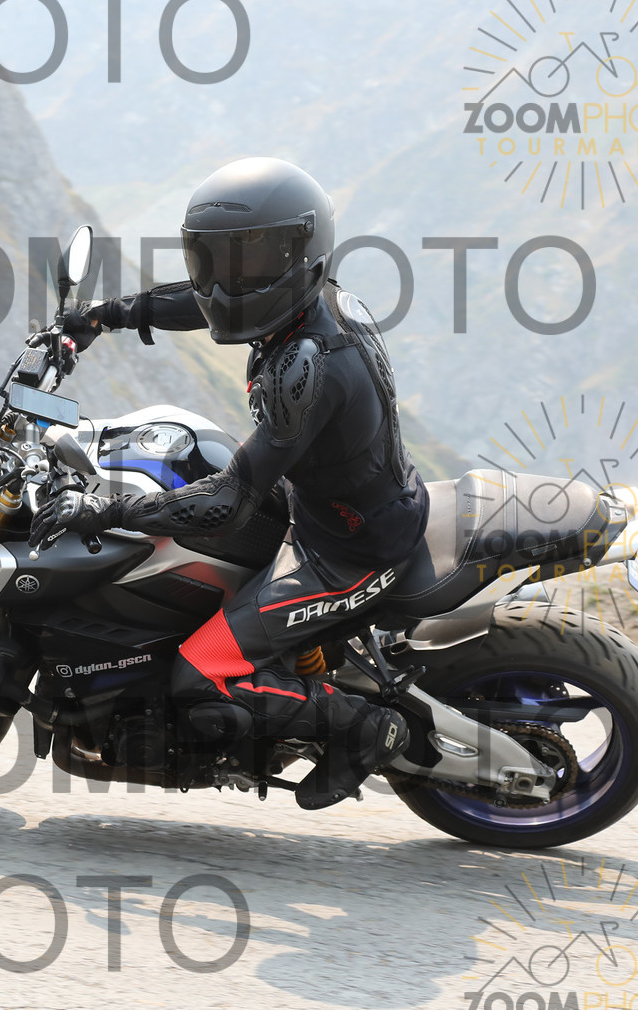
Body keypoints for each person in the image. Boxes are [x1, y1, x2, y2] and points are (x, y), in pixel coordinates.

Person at [30, 157, 424, 809]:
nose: (227, 281)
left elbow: (226, 503)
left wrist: (104, 510)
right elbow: (206, 301)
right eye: (216, 259)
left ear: (300, 252)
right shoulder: (310, 303)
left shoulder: (307, 367)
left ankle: (362, 728)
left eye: (254, 259)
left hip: (348, 548)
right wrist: (106, 316)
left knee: (201, 672)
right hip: (327, 502)